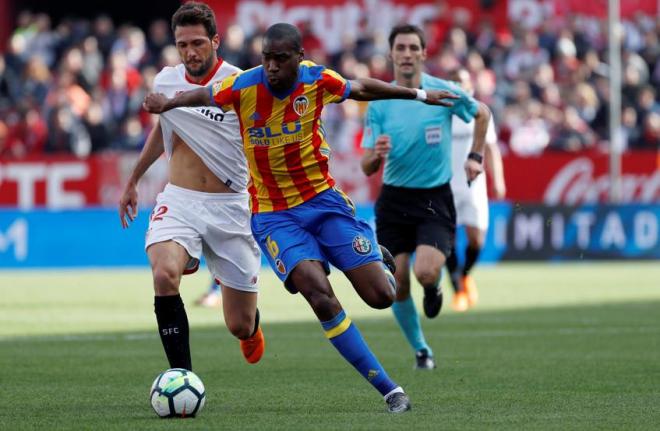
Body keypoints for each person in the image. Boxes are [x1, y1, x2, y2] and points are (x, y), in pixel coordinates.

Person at [142, 22, 460, 413]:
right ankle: (390, 389)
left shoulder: (316, 80)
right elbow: (202, 94)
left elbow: (361, 87)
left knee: (381, 296)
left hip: (323, 204)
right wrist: (167, 103)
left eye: (279, 59)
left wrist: (420, 94)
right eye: (266, 58)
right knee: (318, 293)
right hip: (274, 216)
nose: (271, 67)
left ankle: (374, 256)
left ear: (298, 58)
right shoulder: (243, 87)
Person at [118, 2, 264, 372]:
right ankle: (181, 376)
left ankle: (252, 326)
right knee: (164, 274)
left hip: (231, 205)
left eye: (197, 43)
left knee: (239, 324)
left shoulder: (239, 82)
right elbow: (164, 131)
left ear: (216, 40)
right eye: (182, 45)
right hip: (181, 199)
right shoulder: (167, 80)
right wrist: (134, 178)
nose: (190, 52)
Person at [360, 25, 491, 369]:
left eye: (412, 47)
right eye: (399, 47)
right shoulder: (379, 100)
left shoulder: (442, 92)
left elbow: (483, 114)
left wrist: (476, 156)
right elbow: (366, 166)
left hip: (434, 198)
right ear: (391, 54)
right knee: (397, 285)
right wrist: (376, 154)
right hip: (394, 200)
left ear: (423, 54)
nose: (406, 53)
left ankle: (434, 289)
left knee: (426, 273)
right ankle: (421, 349)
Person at [446, 67, 506, 312]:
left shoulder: (480, 112)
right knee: (446, 240)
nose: (459, 86)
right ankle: (458, 290)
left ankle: (465, 275)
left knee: (476, 239)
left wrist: (498, 179)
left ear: (470, 86)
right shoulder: (441, 113)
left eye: (462, 82)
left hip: (473, 185)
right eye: (454, 82)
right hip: (445, 185)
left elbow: (491, 148)